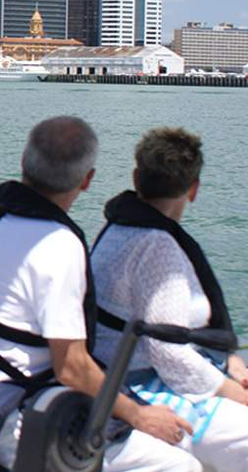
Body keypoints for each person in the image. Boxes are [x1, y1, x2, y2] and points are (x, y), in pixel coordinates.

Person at [0, 116, 199, 472]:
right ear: (88, 180)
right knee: (180, 462)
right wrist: (140, 415)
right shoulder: (58, 245)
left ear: (24, 163)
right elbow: (72, 368)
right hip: (18, 416)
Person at [91, 127, 248, 472]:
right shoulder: (159, 248)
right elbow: (169, 354)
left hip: (126, 375)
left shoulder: (117, 228)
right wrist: (231, 390)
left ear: (137, 178)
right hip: (148, 386)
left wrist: (230, 362)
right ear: (194, 190)